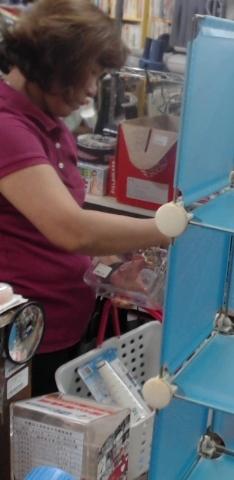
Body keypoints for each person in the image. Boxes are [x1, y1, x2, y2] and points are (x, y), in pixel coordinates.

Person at [0, 0, 170, 396]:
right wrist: (167, 229)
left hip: (56, 331)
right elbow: (70, 230)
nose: (92, 91)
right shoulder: (8, 129)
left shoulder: (51, 126)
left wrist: (108, 270)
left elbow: (51, 233)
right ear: (56, 64)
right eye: (89, 74)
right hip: (22, 341)